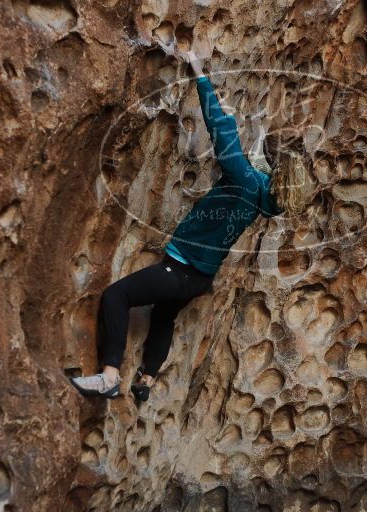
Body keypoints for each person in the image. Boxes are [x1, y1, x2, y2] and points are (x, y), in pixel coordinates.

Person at [69, 50, 312, 402]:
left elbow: (220, 129)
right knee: (163, 316)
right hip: (198, 279)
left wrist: (199, 73)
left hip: (180, 269)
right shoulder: (264, 197)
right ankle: (146, 381)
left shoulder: (245, 179)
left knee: (116, 296)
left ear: (273, 166)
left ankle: (109, 376)